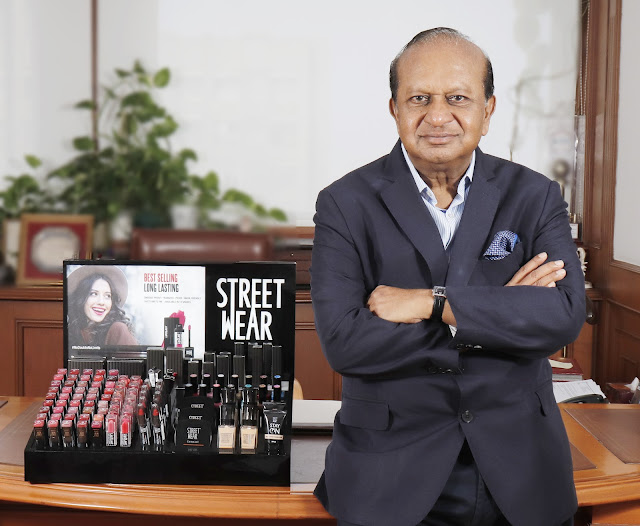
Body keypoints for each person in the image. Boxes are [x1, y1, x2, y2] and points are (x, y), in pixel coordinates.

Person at [311, 28, 585, 526]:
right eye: (420, 98)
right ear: (394, 108)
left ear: (489, 109)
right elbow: (345, 344)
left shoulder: (535, 195)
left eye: (458, 98)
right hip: (388, 476)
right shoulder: (344, 203)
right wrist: (497, 313)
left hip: (524, 472)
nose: (438, 117)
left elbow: (563, 317)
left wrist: (432, 303)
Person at [67, 265, 137, 348]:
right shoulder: (74, 330)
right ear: (81, 297)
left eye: (107, 296)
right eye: (94, 294)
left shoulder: (118, 329)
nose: (101, 302)